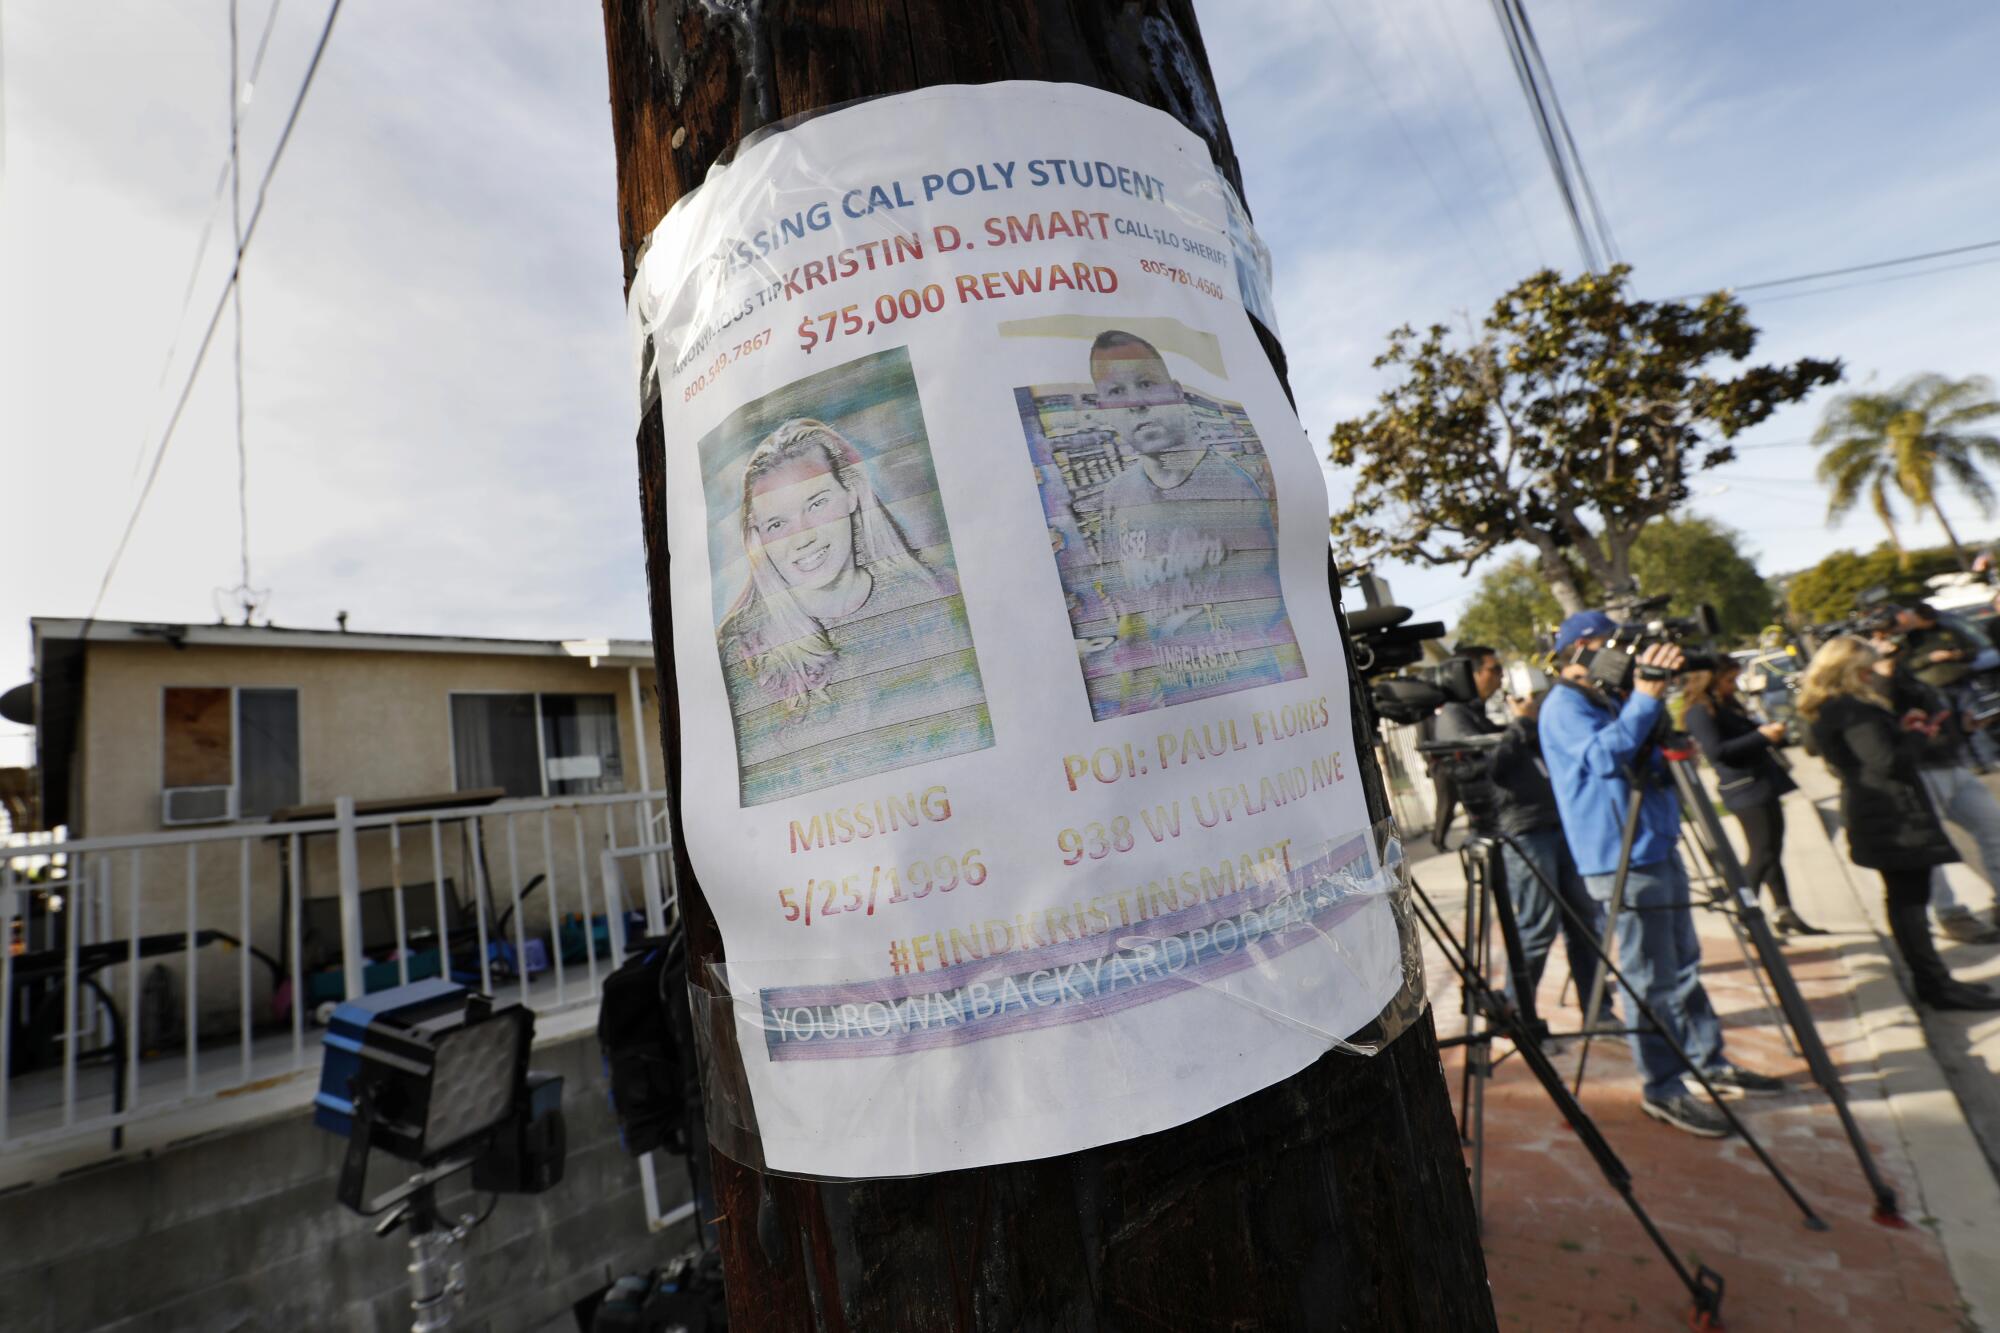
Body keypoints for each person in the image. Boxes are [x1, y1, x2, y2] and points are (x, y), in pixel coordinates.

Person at [1540, 609, 1785, 1138]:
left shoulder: (1608, 696)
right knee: (1650, 979)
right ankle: (1664, 1087)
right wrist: (1646, 698)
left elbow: (1641, 758)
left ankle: (1708, 1059)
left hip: (1655, 842)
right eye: (1615, 644)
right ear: (1582, 646)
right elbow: (1604, 758)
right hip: (1619, 856)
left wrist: (1655, 718)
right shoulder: (1563, 705)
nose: (1627, 656)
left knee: (1683, 965)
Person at [716, 418, 986, 802]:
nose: (802, 536)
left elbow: (974, 730)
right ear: (758, 537)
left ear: (852, 494)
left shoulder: (934, 595)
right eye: (778, 523)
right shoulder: (742, 650)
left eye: (817, 503)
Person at [1087, 331, 1295, 712]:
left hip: (1251, 700)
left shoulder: (1233, 485)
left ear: (1177, 392)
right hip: (1173, 708)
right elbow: (1126, 610)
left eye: (1146, 384)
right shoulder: (1117, 496)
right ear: (1104, 409)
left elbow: (1274, 605)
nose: (1136, 404)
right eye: (1116, 393)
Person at [1800, 636, 2000, 1010]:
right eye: (1869, 667)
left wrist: (1903, 728)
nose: (1875, 673)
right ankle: (1934, 985)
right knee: (1909, 904)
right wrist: (1917, 736)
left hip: (1882, 813)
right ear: (1853, 670)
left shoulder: (1832, 706)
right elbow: (1886, 762)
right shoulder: (1851, 709)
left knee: (1906, 901)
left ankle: (1934, 981)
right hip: (1891, 815)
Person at [1432, 647, 1604, 1023]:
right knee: (1537, 926)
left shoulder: (1483, 713)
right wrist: (1520, 725)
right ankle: (1515, 1011)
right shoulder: (1455, 717)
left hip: (1549, 823)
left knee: (1584, 921)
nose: (1498, 678)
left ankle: (1598, 1009)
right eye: (1492, 670)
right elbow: (1486, 769)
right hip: (1520, 832)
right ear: (1470, 673)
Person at [1868, 621, 2000, 944]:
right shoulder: (1873, 678)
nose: (1895, 639)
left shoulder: (1913, 662)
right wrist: (1882, 670)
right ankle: (1950, 914)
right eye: (1885, 634)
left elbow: (1931, 705)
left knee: (1993, 828)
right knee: (1933, 847)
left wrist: (1961, 726)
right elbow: (1882, 715)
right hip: (1921, 770)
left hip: (1951, 760)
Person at [1681, 660, 1823, 937]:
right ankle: (1745, 912)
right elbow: (1717, 752)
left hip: (1762, 781)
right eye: (1727, 680)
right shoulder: (1699, 711)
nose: (1731, 686)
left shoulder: (1728, 704)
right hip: (1743, 788)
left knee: (1772, 850)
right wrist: (1760, 736)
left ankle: (1784, 910)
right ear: (1709, 681)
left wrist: (1769, 733)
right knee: (1760, 853)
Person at [1896, 601, 1998, 769]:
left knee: (1975, 720)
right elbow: (1906, 664)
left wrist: (1958, 655)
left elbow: (1972, 648)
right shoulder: (1909, 639)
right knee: (1952, 727)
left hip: (1961, 679)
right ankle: (1968, 763)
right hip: (1934, 686)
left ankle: (1986, 758)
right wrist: (1930, 658)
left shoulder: (1947, 630)